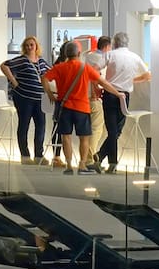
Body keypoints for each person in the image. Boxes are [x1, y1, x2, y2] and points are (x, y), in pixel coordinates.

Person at [42, 40, 109, 175]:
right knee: (84, 137)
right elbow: (102, 82)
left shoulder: (59, 67)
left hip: (64, 106)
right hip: (82, 107)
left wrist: (49, 94)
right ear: (79, 53)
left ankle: (68, 165)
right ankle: (82, 165)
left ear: (66, 54)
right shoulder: (84, 67)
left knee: (65, 136)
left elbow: (44, 78)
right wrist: (118, 93)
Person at [96, 34, 151, 173]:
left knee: (113, 131)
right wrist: (132, 80)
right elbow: (147, 75)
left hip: (110, 94)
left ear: (114, 43)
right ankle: (109, 162)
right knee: (116, 131)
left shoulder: (110, 55)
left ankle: (103, 157)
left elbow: (95, 69)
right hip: (124, 96)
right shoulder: (135, 57)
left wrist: (100, 83)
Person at [2, 37, 51, 165]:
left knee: (41, 126)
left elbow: (51, 72)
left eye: (32, 45)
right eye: (27, 45)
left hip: (39, 98)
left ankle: (39, 155)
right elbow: (4, 66)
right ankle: (25, 155)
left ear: (36, 46)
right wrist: (14, 82)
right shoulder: (22, 60)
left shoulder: (41, 61)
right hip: (24, 98)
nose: (30, 47)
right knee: (24, 125)